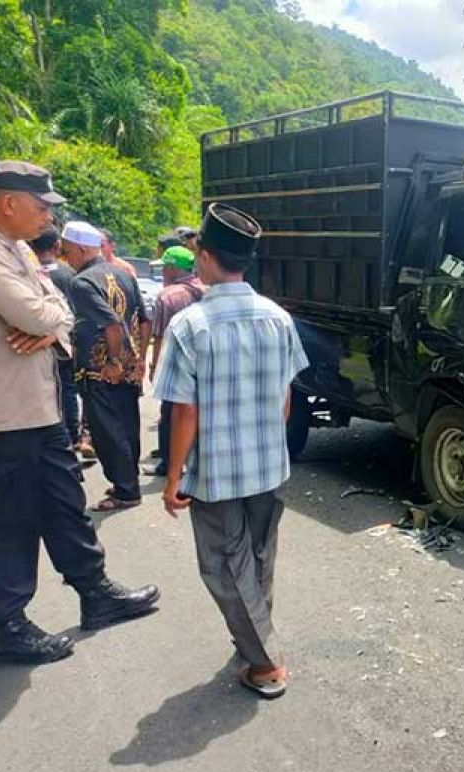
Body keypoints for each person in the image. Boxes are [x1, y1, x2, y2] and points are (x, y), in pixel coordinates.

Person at [0, 160, 159, 665]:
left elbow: (60, 310)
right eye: (41, 206)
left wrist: (52, 324)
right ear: (8, 202)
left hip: (37, 411)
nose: (48, 218)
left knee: (66, 505)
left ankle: (95, 593)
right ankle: (9, 625)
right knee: (9, 522)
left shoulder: (16, 248)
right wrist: (52, 321)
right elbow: (43, 312)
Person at [154, 204, 309, 699]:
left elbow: (185, 413)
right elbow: (286, 397)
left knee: (224, 563)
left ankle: (264, 664)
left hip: (217, 471)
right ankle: (254, 634)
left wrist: (173, 476)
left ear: (204, 255)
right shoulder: (278, 318)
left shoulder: (191, 325)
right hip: (268, 464)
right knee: (259, 555)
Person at [61, 220, 150, 511]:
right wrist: (137, 360)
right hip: (127, 369)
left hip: (101, 369)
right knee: (127, 427)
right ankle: (128, 483)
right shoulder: (124, 274)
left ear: (82, 249)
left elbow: (111, 324)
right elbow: (144, 320)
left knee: (106, 432)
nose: (66, 258)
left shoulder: (82, 282)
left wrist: (112, 361)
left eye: (68, 251)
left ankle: (125, 491)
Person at [27, 225, 88, 457]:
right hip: (65, 343)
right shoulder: (69, 274)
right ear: (57, 247)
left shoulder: (27, 273)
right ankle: (73, 437)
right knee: (68, 390)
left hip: (32, 344)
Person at [145, 245, 204, 477]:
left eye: (164, 268)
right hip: (204, 362)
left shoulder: (167, 296)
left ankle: (169, 464)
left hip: (176, 363)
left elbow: (160, 336)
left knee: (169, 414)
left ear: (171, 268)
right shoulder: (207, 289)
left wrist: (155, 367)